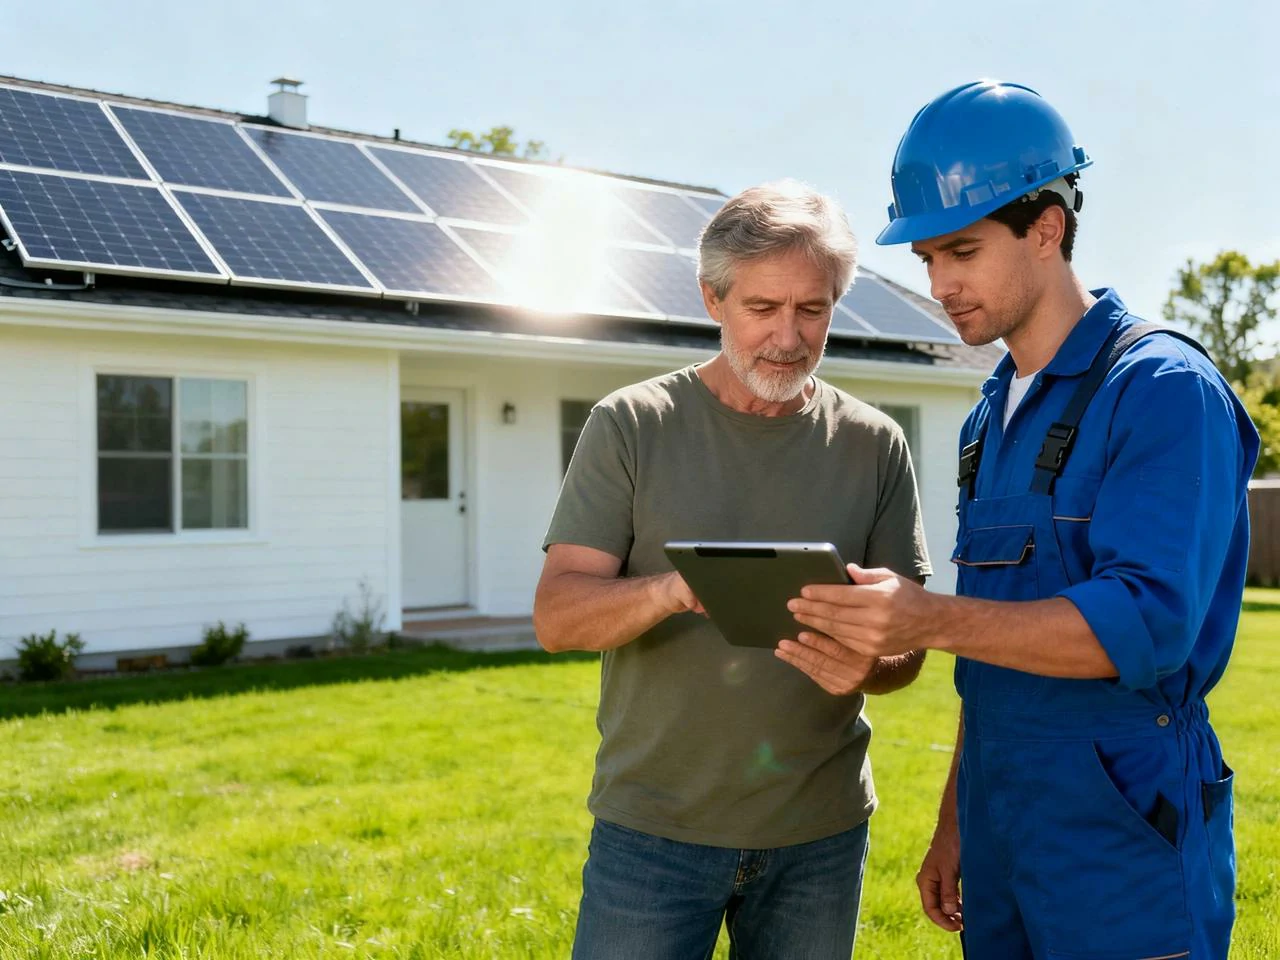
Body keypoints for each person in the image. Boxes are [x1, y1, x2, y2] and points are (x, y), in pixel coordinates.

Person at [785, 80, 1259, 959]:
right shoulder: (990, 415)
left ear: (1047, 227)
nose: (939, 284)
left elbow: (1145, 625)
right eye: (927, 258)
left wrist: (924, 617)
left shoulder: (1160, 391)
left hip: (1125, 828)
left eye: (961, 251)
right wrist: (959, 817)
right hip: (1003, 823)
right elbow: (990, 641)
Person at [533, 179, 932, 959]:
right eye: (763, 308)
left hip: (819, 834)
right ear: (713, 299)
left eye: (812, 310)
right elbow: (558, 617)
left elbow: (908, 648)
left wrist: (869, 664)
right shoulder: (631, 424)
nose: (788, 335)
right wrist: (674, 589)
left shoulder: (874, 444)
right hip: (654, 831)